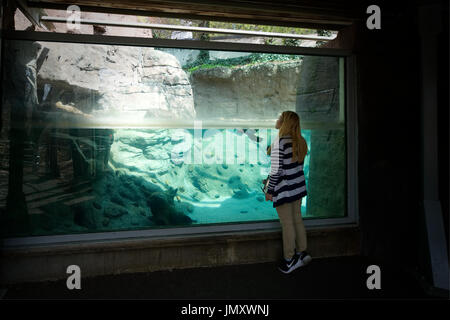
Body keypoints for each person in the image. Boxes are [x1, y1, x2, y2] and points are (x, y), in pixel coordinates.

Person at [265, 111, 312, 274]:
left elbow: (277, 172)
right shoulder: (301, 142)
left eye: (280, 118)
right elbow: (295, 166)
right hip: (298, 188)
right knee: (297, 220)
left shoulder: (279, 142)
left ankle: (289, 260)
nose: (277, 120)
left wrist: (270, 191)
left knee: (287, 224)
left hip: (284, 190)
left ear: (284, 123)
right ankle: (302, 252)